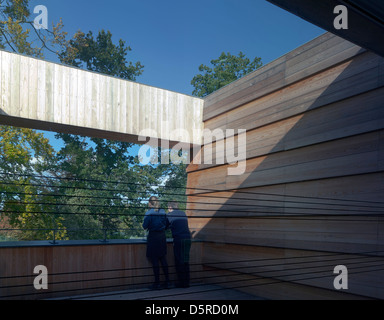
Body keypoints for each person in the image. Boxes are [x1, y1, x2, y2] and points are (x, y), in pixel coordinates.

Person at [142, 196, 170, 290]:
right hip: (162, 237)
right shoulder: (163, 212)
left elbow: (145, 226)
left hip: (153, 237)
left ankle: (157, 283)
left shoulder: (149, 213)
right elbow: (167, 225)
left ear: (150, 203)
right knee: (163, 259)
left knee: (155, 260)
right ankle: (168, 282)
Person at [166, 201, 192, 288]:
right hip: (187, 238)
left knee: (179, 260)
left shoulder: (169, 215)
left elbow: (165, 226)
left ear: (170, 207)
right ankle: (186, 282)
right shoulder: (183, 213)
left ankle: (181, 283)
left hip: (179, 239)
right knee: (185, 260)